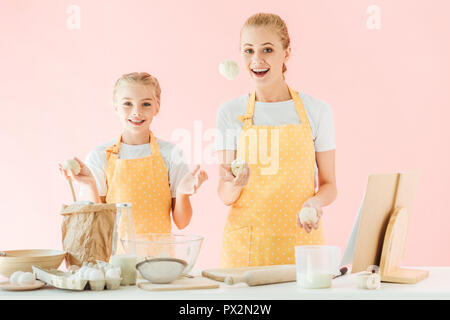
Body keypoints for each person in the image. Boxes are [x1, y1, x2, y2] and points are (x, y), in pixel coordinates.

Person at [216, 13, 337, 267]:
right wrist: (236, 184)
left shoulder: (317, 111)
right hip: (246, 249)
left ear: (287, 52)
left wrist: (314, 202)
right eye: (248, 51)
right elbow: (225, 194)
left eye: (267, 49)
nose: (257, 60)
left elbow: (329, 185)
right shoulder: (229, 113)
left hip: (302, 243)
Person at [59, 72, 208, 234]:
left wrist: (182, 193)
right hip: (115, 258)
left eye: (146, 104)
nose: (137, 111)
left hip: (158, 258)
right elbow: (97, 226)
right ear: (115, 107)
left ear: (157, 107)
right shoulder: (100, 156)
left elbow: (182, 222)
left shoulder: (171, 154)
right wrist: (90, 186)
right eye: (127, 104)